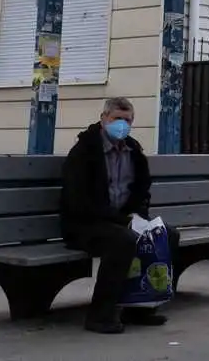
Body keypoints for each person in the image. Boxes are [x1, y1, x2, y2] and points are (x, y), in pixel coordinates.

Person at [60, 96, 180, 333]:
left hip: (122, 220)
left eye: (127, 120)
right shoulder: (84, 151)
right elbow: (79, 200)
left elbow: (142, 190)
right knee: (123, 241)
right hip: (85, 223)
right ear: (104, 118)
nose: (122, 125)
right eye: (117, 119)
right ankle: (100, 315)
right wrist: (123, 221)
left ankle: (142, 306)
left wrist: (137, 216)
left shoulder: (133, 151)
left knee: (167, 235)